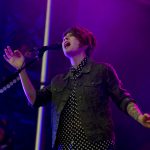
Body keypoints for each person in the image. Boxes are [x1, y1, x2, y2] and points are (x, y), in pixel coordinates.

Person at [3, 26, 150, 150]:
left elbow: (123, 98)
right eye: (64, 38)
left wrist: (139, 116)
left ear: (86, 43)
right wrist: (21, 69)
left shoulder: (101, 70)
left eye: (71, 36)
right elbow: (34, 100)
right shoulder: (58, 81)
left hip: (97, 145)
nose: (65, 38)